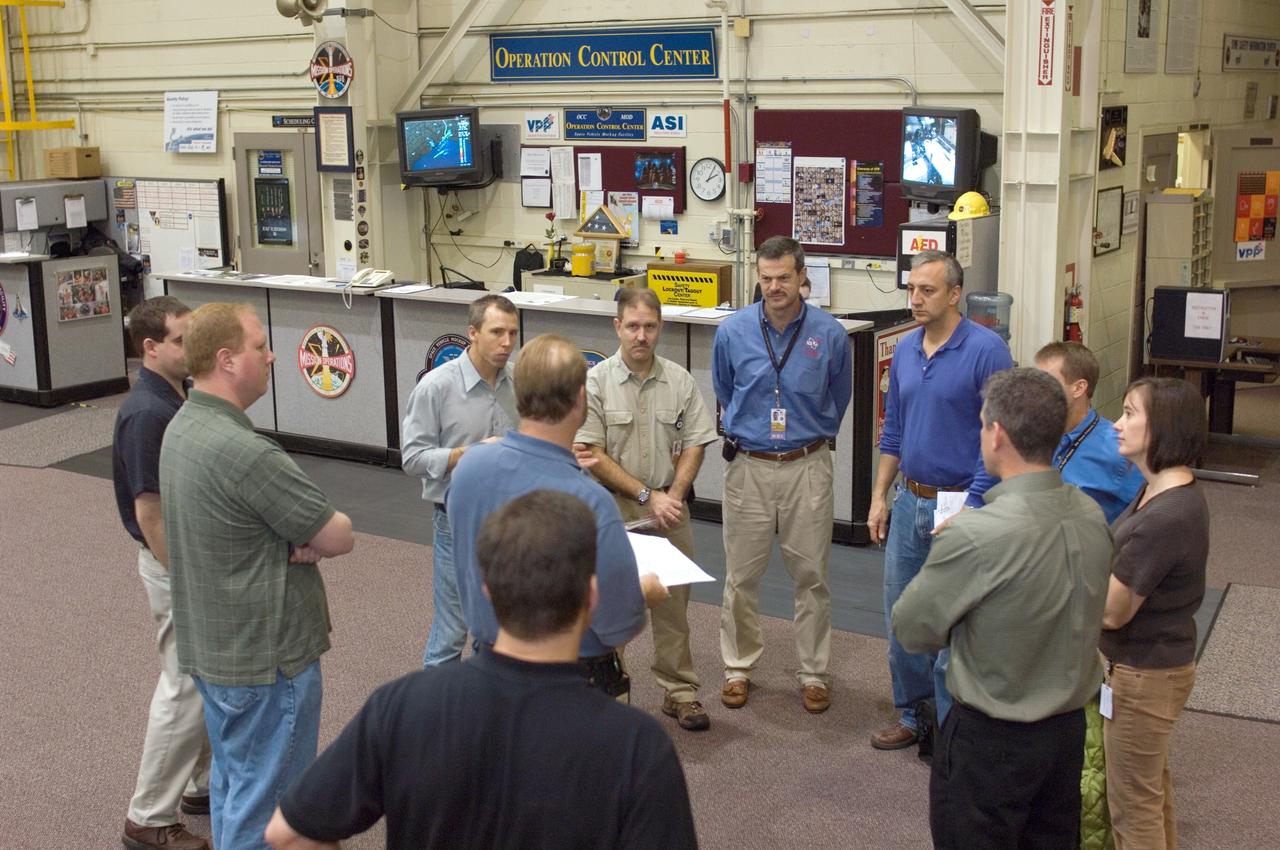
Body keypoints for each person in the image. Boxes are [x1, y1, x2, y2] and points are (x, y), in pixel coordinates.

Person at [262, 490, 699, 850]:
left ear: (485, 589)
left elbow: (290, 832)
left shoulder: (399, 707)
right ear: (590, 597)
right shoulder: (636, 746)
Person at [160, 303, 356, 850]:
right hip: (266, 662)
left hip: (217, 651)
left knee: (234, 786)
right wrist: (305, 539)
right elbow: (339, 535)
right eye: (259, 346)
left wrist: (296, 537)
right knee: (266, 810)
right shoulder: (245, 451)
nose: (271, 355)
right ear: (226, 360)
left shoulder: (182, 427)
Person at [892, 367, 1113, 850]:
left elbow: (911, 629)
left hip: (991, 743)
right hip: (1067, 733)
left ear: (998, 435)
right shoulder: (1089, 513)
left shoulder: (976, 534)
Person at [448, 333, 661, 696]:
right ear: (581, 400)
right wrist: (644, 590)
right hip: (574, 683)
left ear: (518, 395)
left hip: (489, 669)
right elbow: (618, 624)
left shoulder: (469, 470)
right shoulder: (591, 501)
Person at [867, 250, 1013, 749]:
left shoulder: (987, 350)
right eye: (911, 289)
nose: (915, 299)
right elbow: (894, 430)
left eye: (927, 290)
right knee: (903, 615)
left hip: (964, 504)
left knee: (958, 625)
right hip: (910, 499)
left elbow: (996, 436)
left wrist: (973, 504)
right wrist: (879, 495)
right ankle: (912, 714)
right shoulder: (907, 350)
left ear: (955, 295)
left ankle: (954, 728)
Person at [712, 235, 852, 713]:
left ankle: (813, 672)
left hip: (807, 465)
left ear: (801, 276)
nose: (775, 287)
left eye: (784, 278)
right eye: (766, 278)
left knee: (812, 575)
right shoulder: (732, 332)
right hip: (748, 465)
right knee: (741, 575)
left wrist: (810, 434)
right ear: (758, 276)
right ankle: (737, 667)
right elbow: (724, 389)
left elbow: (840, 395)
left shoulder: (829, 333)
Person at [574, 287, 719, 731]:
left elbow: (696, 440)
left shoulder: (679, 380)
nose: (641, 335)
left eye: (650, 327)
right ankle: (609, 692)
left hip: (669, 513)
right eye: (633, 326)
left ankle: (680, 693)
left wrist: (672, 495)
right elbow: (590, 451)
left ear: (661, 328)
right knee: (611, 605)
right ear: (617, 327)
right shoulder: (595, 383)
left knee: (673, 607)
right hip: (613, 513)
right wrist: (645, 496)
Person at [113, 297, 212, 850]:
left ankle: (198, 784)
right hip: (173, 564)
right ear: (150, 348)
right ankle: (148, 816)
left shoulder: (174, 399)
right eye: (180, 340)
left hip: (185, 559)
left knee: (199, 679)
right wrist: (187, 577)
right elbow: (149, 513)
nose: (191, 349)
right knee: (184, 685)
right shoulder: (148, 413)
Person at [1101, 377, 1209, 849]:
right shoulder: (1159, 492)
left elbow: (1113, 611)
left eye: (1129, 414)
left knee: (1133, 807)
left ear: (1162, 426)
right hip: (1148, 668)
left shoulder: (1166, 514)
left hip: (1144, 674)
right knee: (1150, 793)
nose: (1117, 424)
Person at [401, 294, 518, 667]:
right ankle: (436, 717)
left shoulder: (519, 383)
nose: (507, 342)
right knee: (453, 629)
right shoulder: (436, 388)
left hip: (510, 522)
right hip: (456, 520)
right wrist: (463, 456)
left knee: (498, 629)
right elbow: (413, 458)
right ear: (473, 333)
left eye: (513, 333)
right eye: (497, 332)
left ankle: (485, 712)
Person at [1035, 341, 1144, 522]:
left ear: (1078, 388)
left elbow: (1147, 517)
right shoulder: (1032, 435)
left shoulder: (1119, 450)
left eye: (1044, 382)